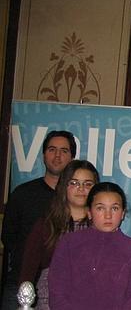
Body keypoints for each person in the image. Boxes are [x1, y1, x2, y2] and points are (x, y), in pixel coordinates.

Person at [1, 130, 76, 309]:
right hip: (20, 284)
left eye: (64, 151)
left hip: (64, 288)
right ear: (43, 155)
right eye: (52, 149)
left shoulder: (77, 199)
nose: (57, 155)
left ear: (72, 158)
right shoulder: (23, 193)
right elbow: (8, 236)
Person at [48, 182, 131, 310]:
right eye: (100, 208)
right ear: (89, 212)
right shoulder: (69, 243)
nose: (108, 215)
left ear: (122, 213)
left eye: (115, 208)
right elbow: (57, 293)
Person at [19, 160, 99, 309]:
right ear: (64, 186)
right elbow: (27, 271)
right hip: (48, 302)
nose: (81, 188)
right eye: (74, 183)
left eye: (88, 184)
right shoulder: (46, 225)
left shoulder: (101, 229)